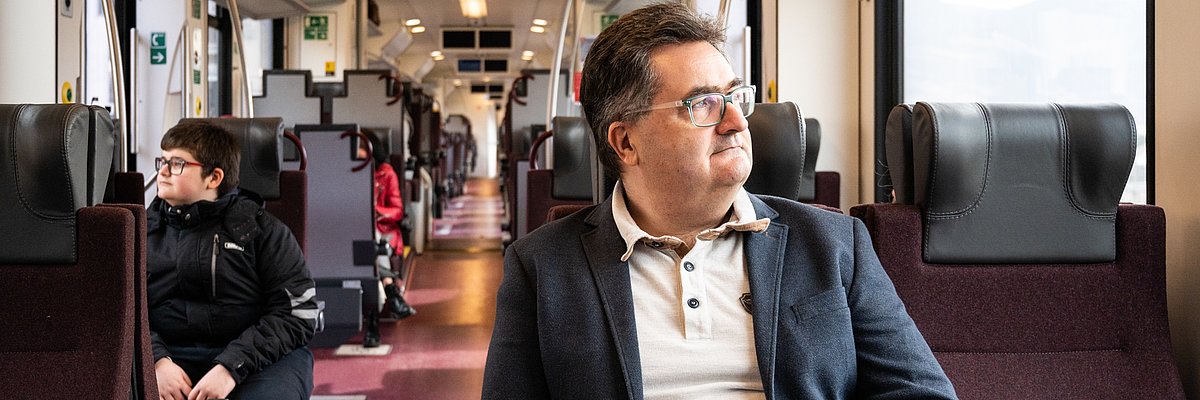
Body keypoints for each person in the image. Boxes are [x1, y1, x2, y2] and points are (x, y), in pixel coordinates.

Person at [482, 3, 956, 399]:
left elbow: (921, 392)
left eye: (736, 97)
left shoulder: (834, 244)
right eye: (703, 104)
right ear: (626, 143)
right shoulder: (541, 267)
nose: (737, 122)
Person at [147, 121, 318, 400]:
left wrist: (230, 367)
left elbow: (297, 313)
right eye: (162, 161)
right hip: (168, 357)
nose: (162, 172)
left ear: (213, 178)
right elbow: (120, 312)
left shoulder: (263, 232)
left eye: (177, 164)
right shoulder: (140, 233)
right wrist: (155, 361)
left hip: (259, 358)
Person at [359, 132, 416, 348]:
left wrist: (373, 210)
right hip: (359, 234)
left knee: (372, 247)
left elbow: (397, 211)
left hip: (384, 232)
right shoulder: (346, 173)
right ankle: (392, 292)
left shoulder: (386, 173)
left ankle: (373, 323)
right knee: (369, 247)